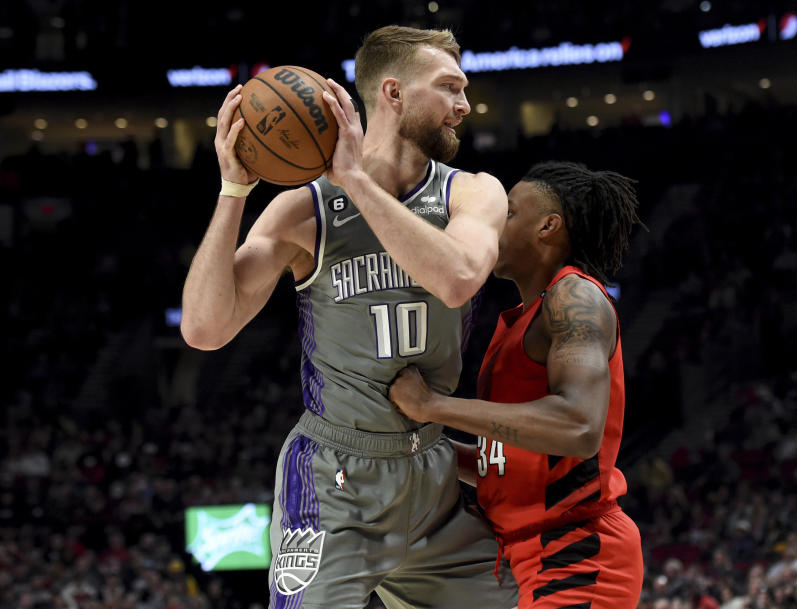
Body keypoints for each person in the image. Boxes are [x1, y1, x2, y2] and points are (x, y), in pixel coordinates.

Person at [181, 25, 518, 609]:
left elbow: (459, 278)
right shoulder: (304, 209)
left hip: (433, 474)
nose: (464, 104)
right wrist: (233, 190)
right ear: (393, 93)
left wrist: (357, 181)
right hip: (334, 481)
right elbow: (205, 329)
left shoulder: (474, 193)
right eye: (449, 88)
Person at [389, 161, 645, 608]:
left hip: (578, 553)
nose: (491, 223)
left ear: (548, 226)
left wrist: (434, 406)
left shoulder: (574, 297)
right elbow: (506, 456)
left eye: (506, 212)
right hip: (524, 554)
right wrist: (426, 452)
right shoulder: (520, 319)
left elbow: (578, 427)